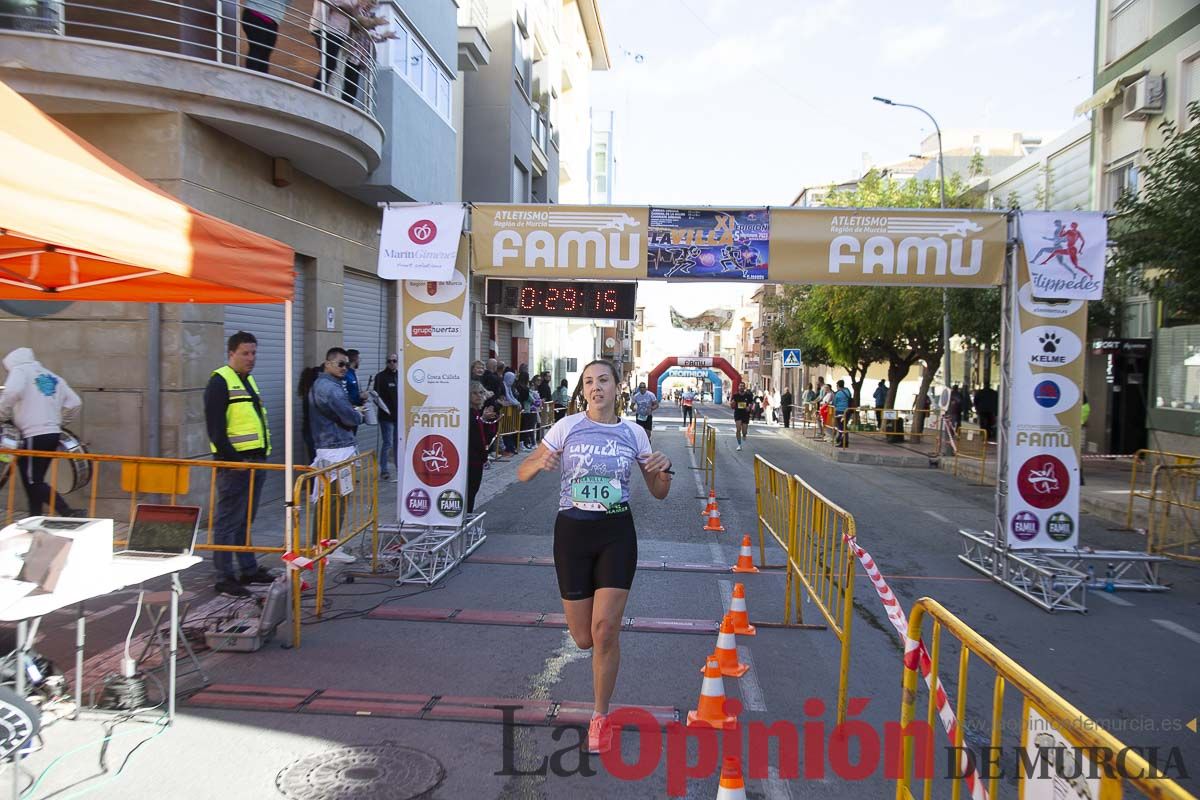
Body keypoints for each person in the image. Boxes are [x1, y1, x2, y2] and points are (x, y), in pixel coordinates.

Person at [516, 359, 672, 754]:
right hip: (572, 534)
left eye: (603, 380)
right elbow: (522, 472)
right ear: (583, 390)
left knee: (605, 631)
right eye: (588, 382)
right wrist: (539, 463)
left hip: (617, 533)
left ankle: (600, 716)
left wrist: (663, 470)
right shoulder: (566, 427)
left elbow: (658, 491)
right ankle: (598, 696)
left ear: (618, 387)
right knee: (584, 638)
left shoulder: (634, 432)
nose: (595, 387)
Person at [204, 332, 276, 596]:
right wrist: (234, 460)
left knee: (245, 519)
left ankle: (248, 568)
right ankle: (224, 576)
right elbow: (216, 429)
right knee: (227, 521)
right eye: (245, 353)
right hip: (235, 465)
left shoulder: (247, 381)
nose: (251, 358)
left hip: (256, 461)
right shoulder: (220, 381)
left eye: (254, 353)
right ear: (231, 353)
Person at [0, 347, 81, 517]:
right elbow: (75, 402)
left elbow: (11, 392)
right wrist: (58, 422)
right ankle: (34, 518)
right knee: (34, 480)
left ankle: (67, 511)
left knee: (33, 481)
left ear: (11, 363)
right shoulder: (51, 376)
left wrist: (2, 414)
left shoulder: (20, 370)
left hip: (32, 434)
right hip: (52, 434)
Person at [308, 348, 365, 561]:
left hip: (334, 446)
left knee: (331, 499)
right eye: (341, 364)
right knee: (335, 499)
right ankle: (327, 546)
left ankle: (323, 544)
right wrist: (357, 415)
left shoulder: (327, 385)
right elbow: (349, 416)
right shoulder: (329, 388)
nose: (344, 369)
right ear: (328, 363)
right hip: (335, 449)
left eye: (347, 365)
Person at [468, 381, 498, 513]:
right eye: (474, 393)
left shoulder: (477, 413)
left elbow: (487, 436)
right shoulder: (469, 413)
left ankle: (467, 518)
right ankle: (465, 521)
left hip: (477, 459)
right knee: (469, 491)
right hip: (471, 459)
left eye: (481, 392)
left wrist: (486, 420)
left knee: (472, 491)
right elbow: (476, 438)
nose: (478, 396)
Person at [241, 0, 287, 73]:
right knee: (257, 50)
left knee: (264, 53)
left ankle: (260, 80)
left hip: (270, 19)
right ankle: (251, 79)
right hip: (256, 13)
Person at [373, 353, 399, 481]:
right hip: (386, 417)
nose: (392, 363)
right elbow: (376, 397)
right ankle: (384, 470)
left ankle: (399, 468)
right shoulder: (380, 377)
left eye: (394, 361)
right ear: (386, 362)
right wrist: (385, 410)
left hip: (398, 416)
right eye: (389, 361)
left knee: (397, 443)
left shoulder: (400, 376)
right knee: (387, 443)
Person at [298, 364, 324, 463]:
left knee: (314, 460)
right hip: (315, 433)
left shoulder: (308, 393)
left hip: (310, 432)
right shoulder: (313, 395)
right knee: (317, 462)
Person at [731, 380, 754, 451]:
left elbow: (751, 403)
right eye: (740, 386)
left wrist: (749, 407)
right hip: (738, 413)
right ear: (738, 387)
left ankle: (744, 435)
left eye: (743, 386)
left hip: (745, 414)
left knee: (744, 430)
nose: (741, 387)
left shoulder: (748, 395)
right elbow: (732, 405)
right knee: (738, 429)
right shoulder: (735, 395)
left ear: (744, 387)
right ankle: (739, 444)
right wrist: (733, 403)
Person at [832, 379, 852, 448]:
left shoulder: (838, 393)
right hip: (847, 411)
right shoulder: (847, 391)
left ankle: (842, 442)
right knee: (844, 426)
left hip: (839, 411)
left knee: (841, 427)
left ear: (838, 385)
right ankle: (844, 441)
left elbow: (834, 403)